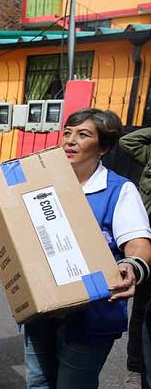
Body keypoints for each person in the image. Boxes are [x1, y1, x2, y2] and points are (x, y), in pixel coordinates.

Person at [0, 109, 151, 389]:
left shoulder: (118, 190)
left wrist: (131, 266)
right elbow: (23, 239)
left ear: (103, 147)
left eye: (82, 135)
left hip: (91, 317)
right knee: (38, 382)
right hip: (41, 310)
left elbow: (139, 244)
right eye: (67, 133)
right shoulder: (42, 186)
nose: (70, 141)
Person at [119, 127, 151, 389]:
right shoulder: (149, 151)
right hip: (146, 240)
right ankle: (136, 369)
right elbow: (128, 140)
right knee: (141, 310)